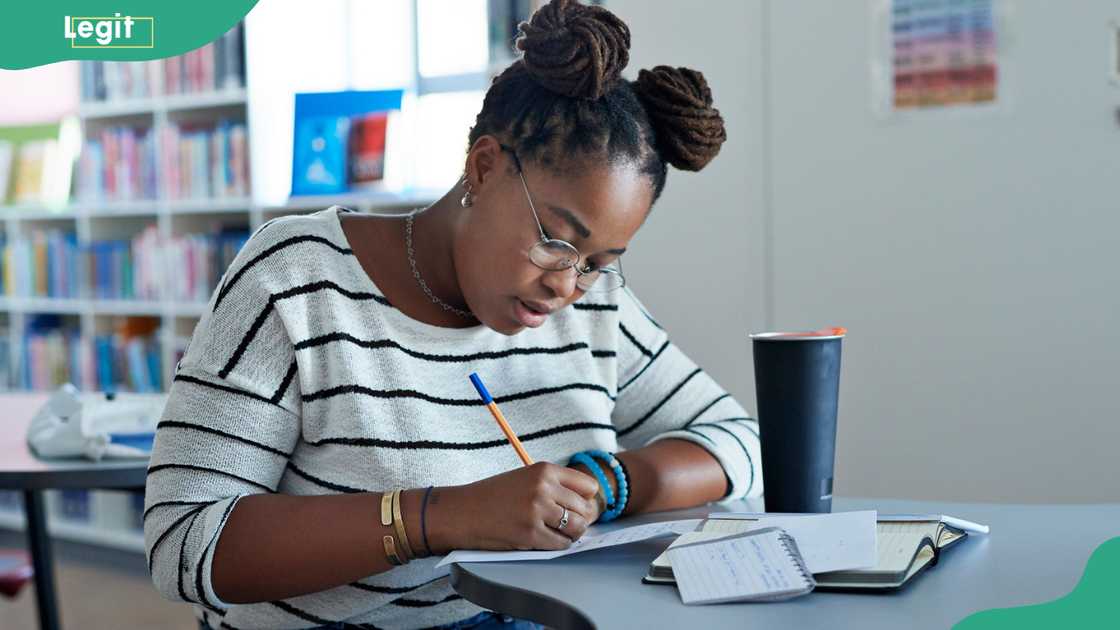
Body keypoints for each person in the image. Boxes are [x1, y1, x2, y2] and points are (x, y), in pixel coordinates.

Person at [144, 1, 762, 628]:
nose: (568, 285)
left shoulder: (593, 302)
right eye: (556, 239)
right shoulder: (296, 276)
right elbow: (185, 542)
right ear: (484, 168)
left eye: (600, 261)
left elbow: (738, 443)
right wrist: (439, 517)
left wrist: (608, 483)